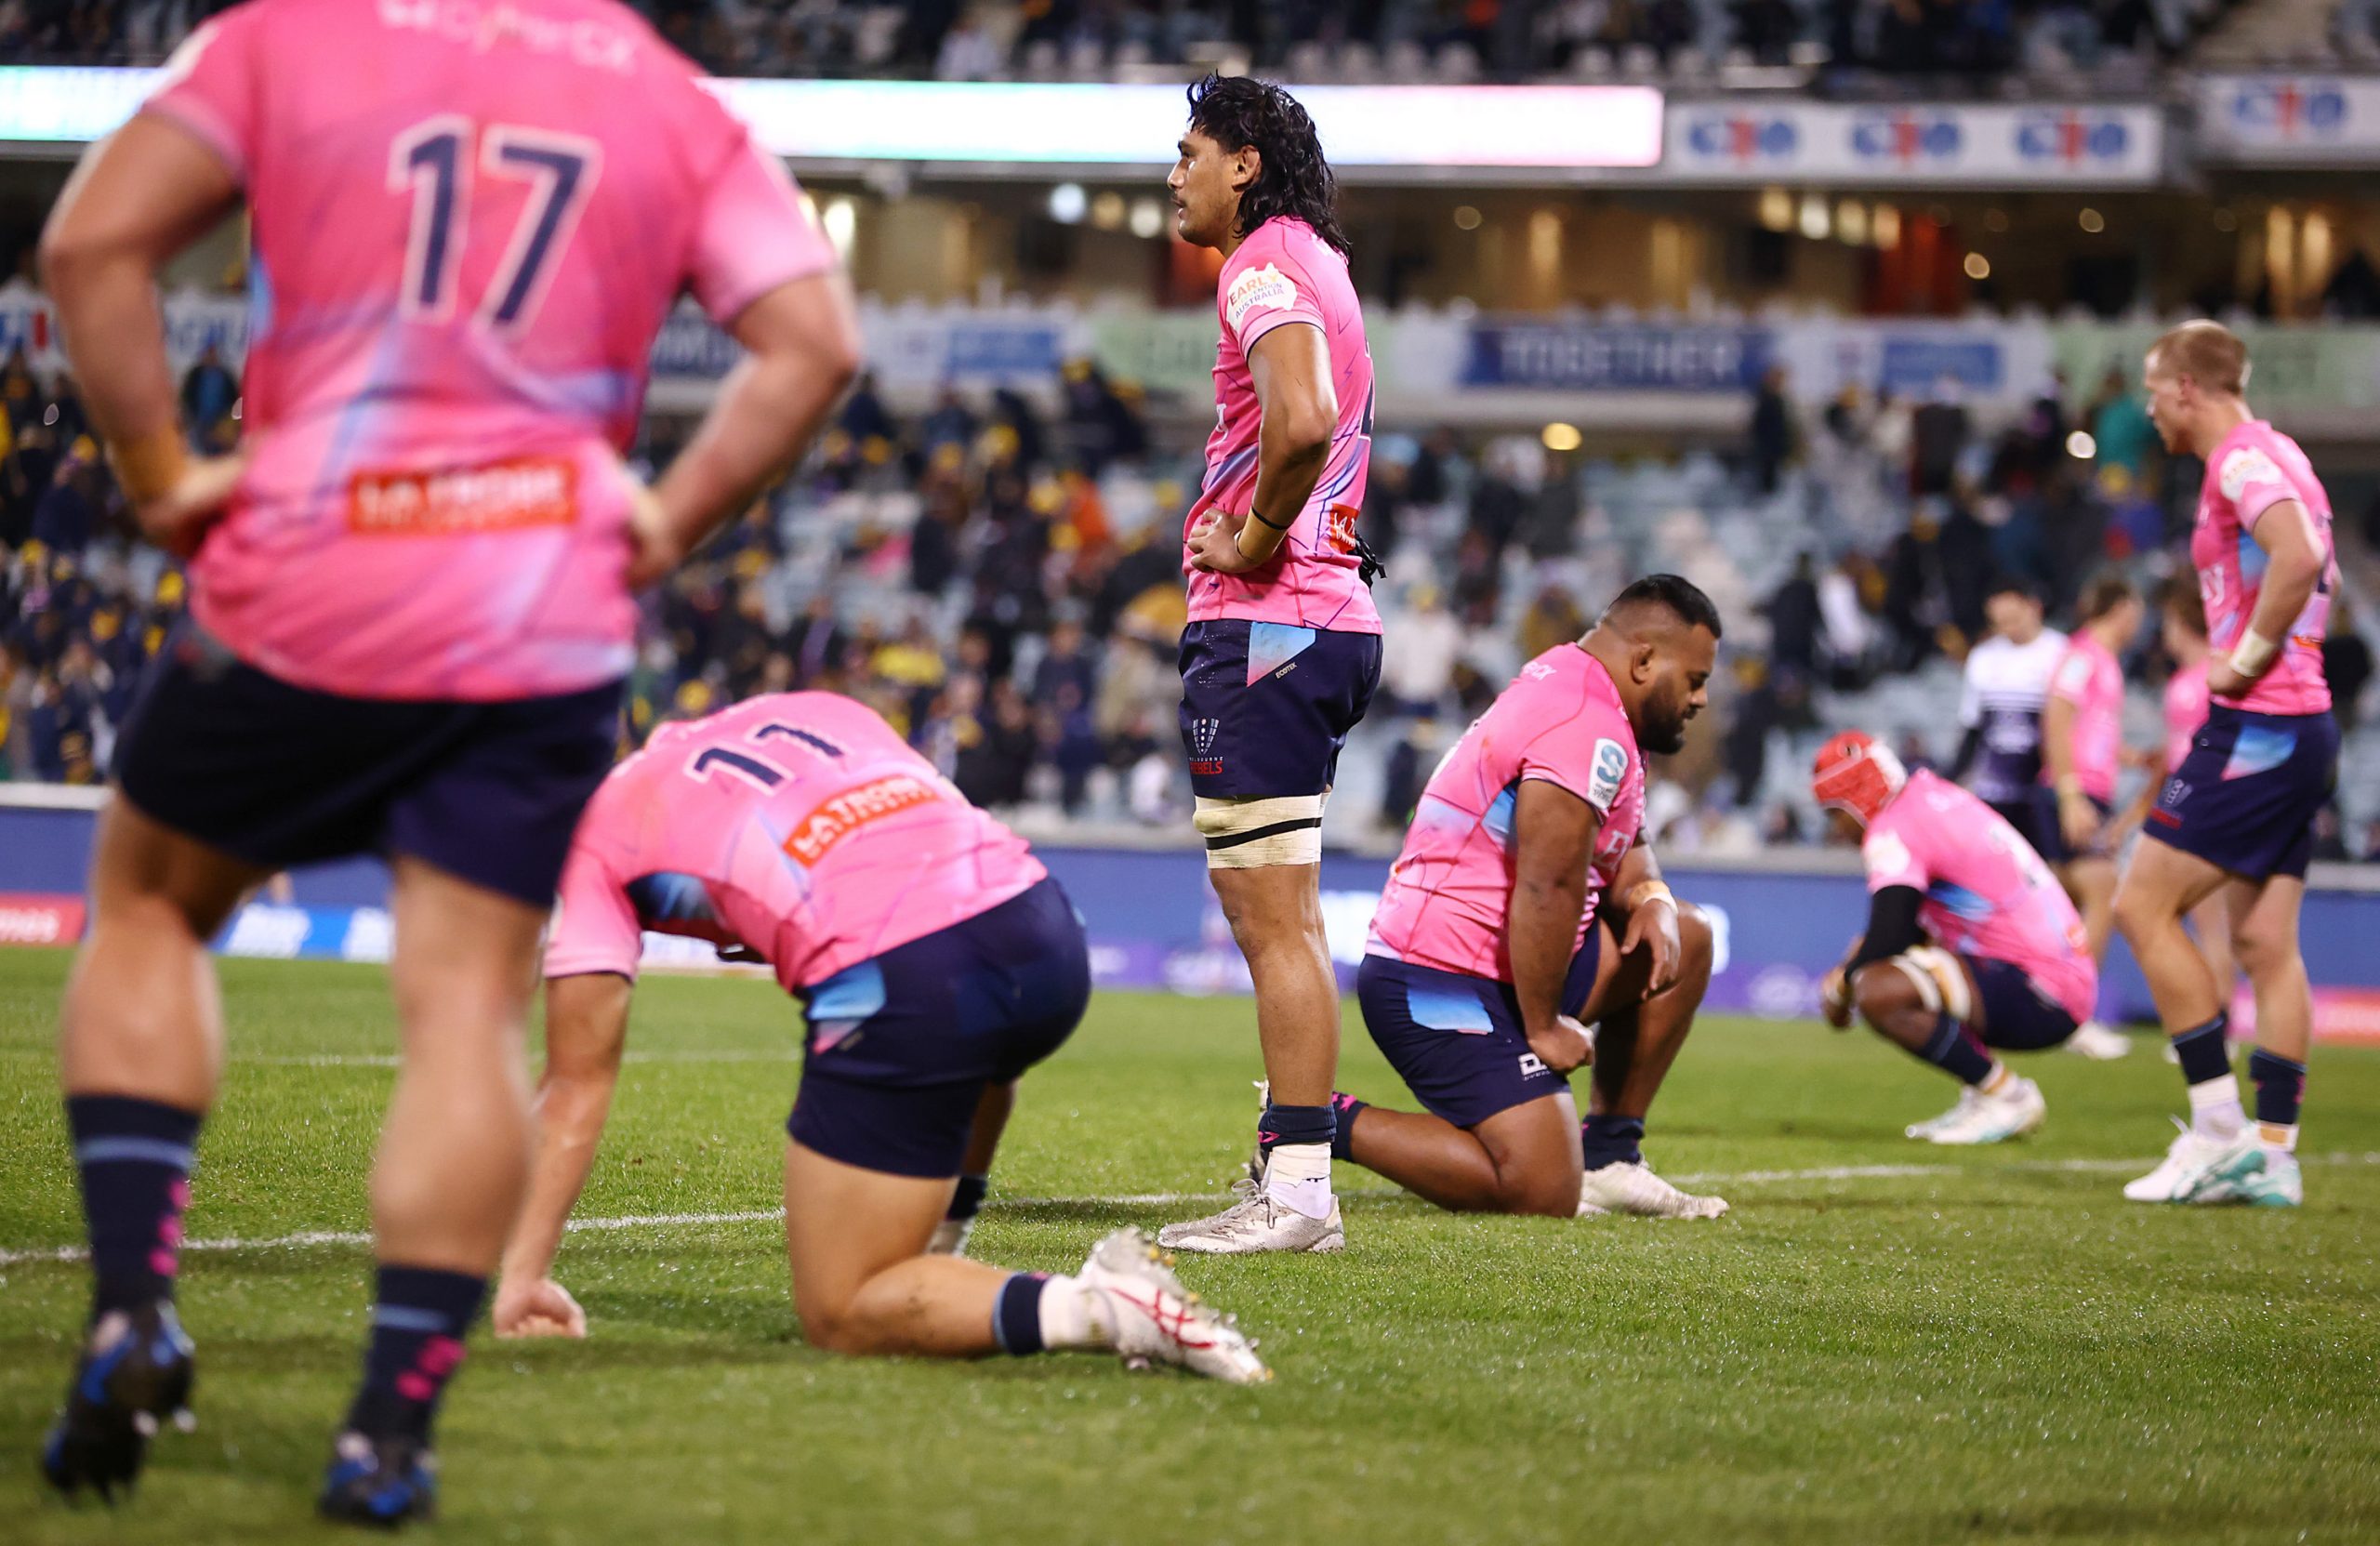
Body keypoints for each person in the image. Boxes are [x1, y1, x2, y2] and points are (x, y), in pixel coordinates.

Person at [36, 0, 862, 1522]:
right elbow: (813, 343)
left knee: (150, 902)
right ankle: (387, 1430)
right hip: (537, 611)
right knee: (463, 1008)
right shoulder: (669, 97)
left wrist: (160, 477)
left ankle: (131, 1305)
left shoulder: (286, 39)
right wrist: (668, 520)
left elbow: (90, 247)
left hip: (307, 565)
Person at [495, 692, 1265, 1383]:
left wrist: (520, 1274)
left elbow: (576, 1086)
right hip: (1043, 926)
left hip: (908, 971)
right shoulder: (809, 706)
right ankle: (939, 1260)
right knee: (980, 1049)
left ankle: (1103, 1306)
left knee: (840, 1309)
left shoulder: (592, 833)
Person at [1161, 73, 1383, 1254]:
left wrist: (1247, 540)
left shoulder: (1261, 265)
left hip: (1272, 623)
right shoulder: (1316, 259)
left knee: (1277, 926)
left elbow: (1297, 422)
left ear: (1245, 162)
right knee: (1285, 919)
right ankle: (1292, 1176)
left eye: (1189, 149)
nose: (1174, 172)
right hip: (1320, 616)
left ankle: (1297, 1192)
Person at [1338, 576, 1730, 1219]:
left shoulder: (1588, 696)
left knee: (1687, 936)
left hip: (1505, 964)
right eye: (1694, 678)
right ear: (1643, 661)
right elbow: (1549, 882)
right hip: (1437, 977)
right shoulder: (1586, 722)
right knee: (1541, 1188)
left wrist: (1653, 895)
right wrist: (1544, 1027)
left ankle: (1609, 1157)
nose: (1702, 698)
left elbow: (1627, 842)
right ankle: (1312, 1123)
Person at [2115, 321, 2340, 1209]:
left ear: (2185, 388)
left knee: (2141, 901)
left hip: (2261, 725)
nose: (2146, 407)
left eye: (2151, 388)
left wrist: (2244, 656)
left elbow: (2301, 555)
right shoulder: (2282, 450)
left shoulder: (2238, 460)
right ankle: (2273, 1155)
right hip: (2303, 730)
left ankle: (2214, 1131)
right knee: (2263, 944)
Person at [1812, 732, 2096, 1143]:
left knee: (1878, 988)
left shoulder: (1893, 828)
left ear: (1853, 798)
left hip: (2041, 990)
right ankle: (1983, 1096)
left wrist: (1840, 986)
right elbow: (1909, 926)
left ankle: (2005, 1096)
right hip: (2058, 976)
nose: (1837, 828)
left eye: (1834, 812)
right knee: (1907, 960)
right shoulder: (1934, 795)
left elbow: (1889, 937)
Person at [1949, 578, 2128, 1059]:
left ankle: (2064, 1003)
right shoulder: (1984, 659)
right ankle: (2011, 1002)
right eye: (1997, 621)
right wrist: (1947, 781)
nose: (2005, 627)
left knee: (2063, 898)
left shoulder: (2059, 654)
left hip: (2041, 796)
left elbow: (2070, 723)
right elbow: (1973, 731)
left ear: (2034, 606)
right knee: (2009, 905)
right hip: (1996, 801)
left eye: (2012, 617)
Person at [2040, 572, 2144, 1060]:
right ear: (2121, 608)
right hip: (2074, 791)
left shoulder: (2101, 661)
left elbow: (2091, 730)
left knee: (2065, 901)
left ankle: (2051, 1008)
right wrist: (2069, 794)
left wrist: (2131, 758)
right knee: (2102, 892)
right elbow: (2057, 718)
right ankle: (2076, 1017)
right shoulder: (2082, 656)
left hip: (2089, 789)